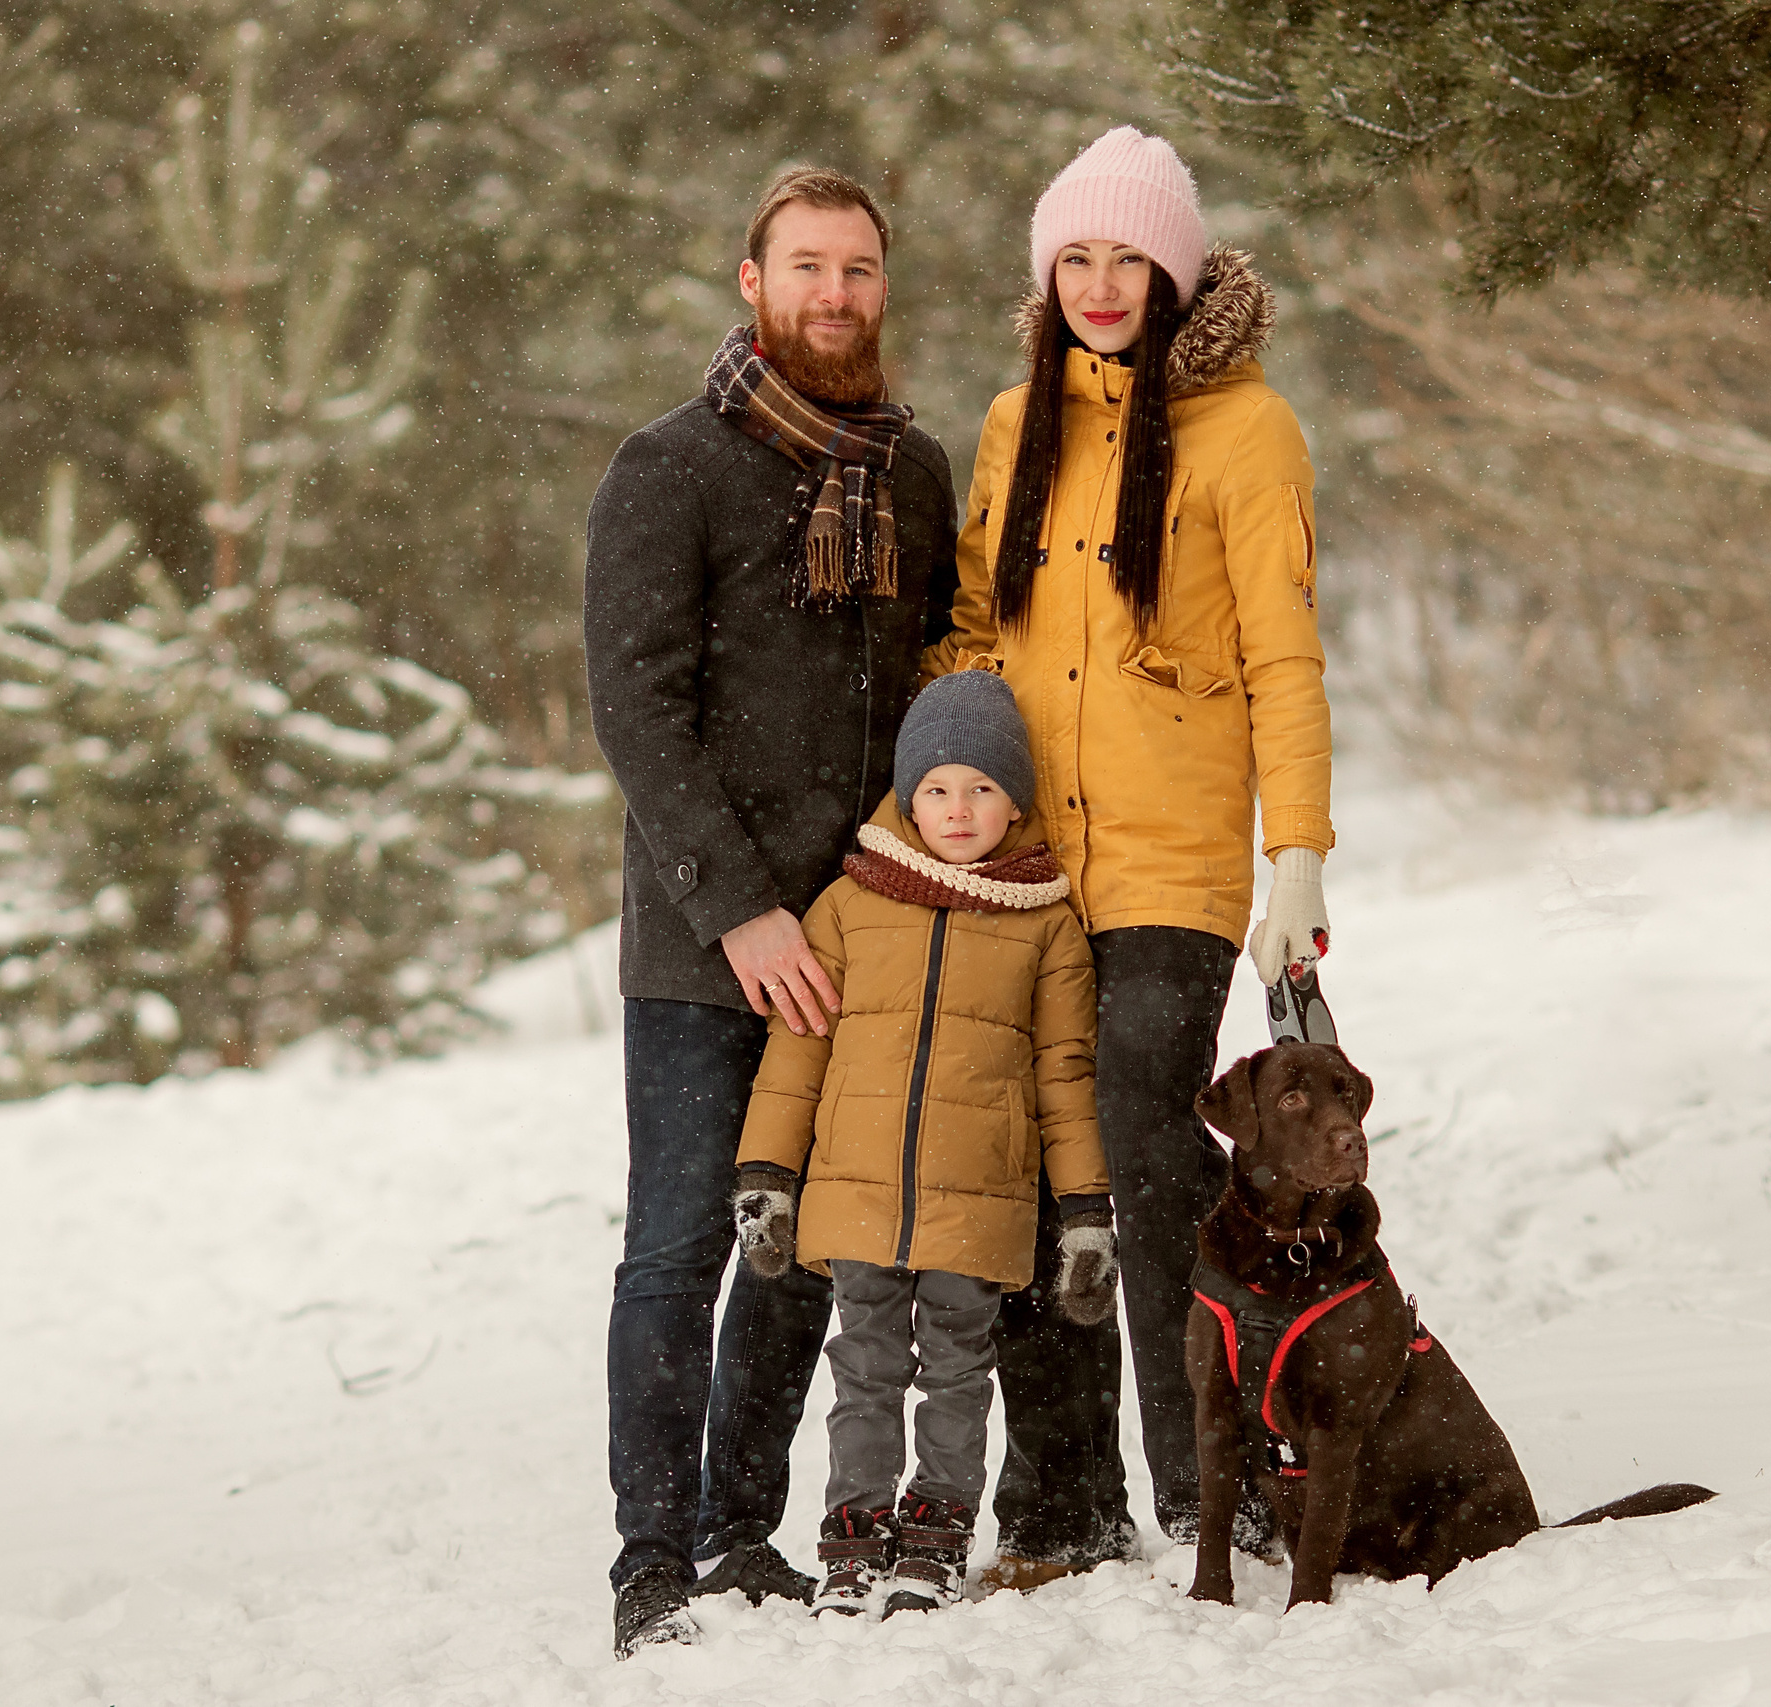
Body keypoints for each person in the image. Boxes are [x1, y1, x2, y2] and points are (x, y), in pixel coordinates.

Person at [928, 125, 1335, 1564]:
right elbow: (973, 633)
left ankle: (1202, 1472)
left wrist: (1300, 855)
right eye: (1077, 258)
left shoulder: (1249, 428)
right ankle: (1068, 1494)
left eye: (1129, 257)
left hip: (1173, 860)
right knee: (1043, 1164)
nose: (1103, 284)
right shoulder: (1010, 423)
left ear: (1175, 271)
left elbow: (1287, 658)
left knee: (1152, 1149)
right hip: (1034, 859)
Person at [583, 165, 961, 1660]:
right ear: (753, 280)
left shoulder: (910, 473)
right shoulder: (666, 467)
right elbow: (637, 711)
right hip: (705, 937)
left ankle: (748, 1531)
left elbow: (935, 697)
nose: (834, 294)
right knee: (679, 1244)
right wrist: (742, 908)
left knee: (799, 1241)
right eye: (806, 265)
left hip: (859, 924)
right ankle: (652, 1560)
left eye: (859, 269)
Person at [728, 670, 1119, 1619]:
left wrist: (1084, 1211)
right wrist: (767, 1177)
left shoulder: (1046, 922)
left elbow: (1065, 1078)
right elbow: (794, 1055)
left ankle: (936, 1540)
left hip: (977, 1203)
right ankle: (854, 1544)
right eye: (936, 788)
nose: (957, 810)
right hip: (856, 1199)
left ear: (1016, 799)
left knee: (956, 1372)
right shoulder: (847, 905)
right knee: (862, 1369)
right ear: (906, 794)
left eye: (983, 788)